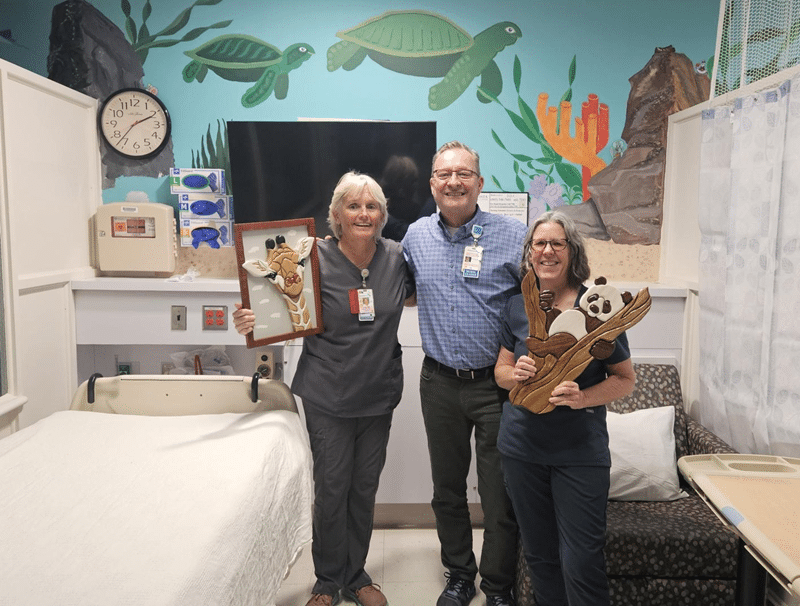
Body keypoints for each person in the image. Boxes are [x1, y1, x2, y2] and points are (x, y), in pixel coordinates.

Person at [233, 172, 415, 606]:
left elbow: (417, 295)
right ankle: (327, 580)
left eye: (372, 207)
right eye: (353, 206)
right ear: (335, 215)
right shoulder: (307, 257)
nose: (363, 214)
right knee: (333, 487)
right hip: (329, 395)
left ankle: (357, 575)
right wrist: (250, 320)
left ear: (383, 216)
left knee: (364, 488)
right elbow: (273, 309)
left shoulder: (395, 257)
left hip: (378, 394)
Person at [402, 141, 526, 606]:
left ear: (479, 181)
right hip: (438, 383)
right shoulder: (415, 237)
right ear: (432, 183)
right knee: (447, 490)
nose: (454, 181)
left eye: (464, 173)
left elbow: (535, 305)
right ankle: (459, 575)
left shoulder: (515, 236)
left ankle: (497, 586)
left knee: (498, 494)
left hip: (496, 387)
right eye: (444, 174)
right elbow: (406, 292)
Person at [493, 211, 636, 606]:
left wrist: (583, 398)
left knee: (582, 560)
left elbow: (625, 379)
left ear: (572, 252)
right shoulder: (516, 306)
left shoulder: (598, 307)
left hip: (580, 452)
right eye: (539, 244)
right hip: (521, 449)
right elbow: (500, 371)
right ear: (529, 254)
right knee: (540, 556)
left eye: (557, 243)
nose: (548, 251)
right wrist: (515, 373)